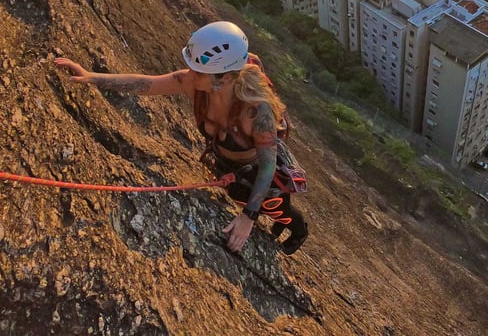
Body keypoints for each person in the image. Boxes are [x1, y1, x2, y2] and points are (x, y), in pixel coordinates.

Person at [53, 21, 308, 254]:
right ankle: (271, 218)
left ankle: (299, 231)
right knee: (241, 197)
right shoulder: (197, 83)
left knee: (277, 208)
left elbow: (267, 164)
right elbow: (147, 84)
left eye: (198, 71)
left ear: (226, 78)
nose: (190, 74)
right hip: (226, 166)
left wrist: (248, 218)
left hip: (256, 169)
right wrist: (92, 78)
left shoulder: (256, 111)